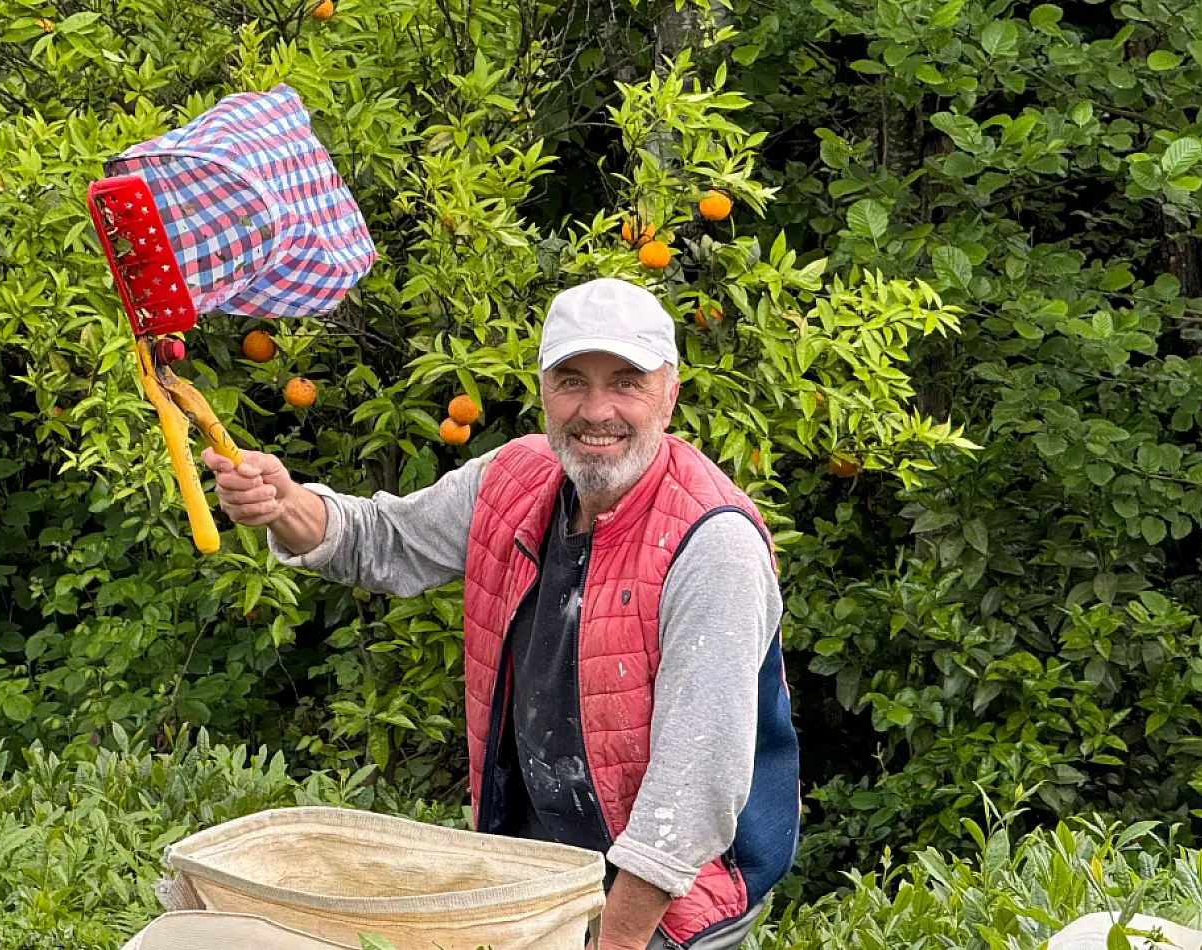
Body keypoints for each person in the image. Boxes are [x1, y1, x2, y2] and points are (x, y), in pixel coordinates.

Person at [199, 276, 800, 950]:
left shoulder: (712, 544)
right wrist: (288, 507)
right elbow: (387, 541)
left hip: (673, 893)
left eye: (626, 381)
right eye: (572, 379)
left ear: (670, 394)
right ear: (542, 388)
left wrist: (618, 942)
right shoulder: (514, 478)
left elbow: (688, 799)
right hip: (542, 867)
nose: (596, 410)